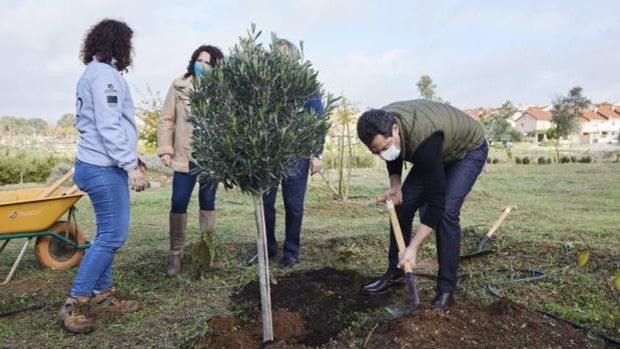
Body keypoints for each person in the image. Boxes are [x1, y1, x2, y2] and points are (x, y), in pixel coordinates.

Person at [60, 19, 148, 334]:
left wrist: (131, 155)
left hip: (95, 162)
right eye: (128, 43)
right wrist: (130, 166)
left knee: (107, 235)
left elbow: (106, 123)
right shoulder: (105, 77)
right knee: (113, 236)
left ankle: (103, 296)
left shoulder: (94, 73)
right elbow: (108, 126)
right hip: (102, 167)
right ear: (119, 43)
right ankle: (76, 301)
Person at [356, 99, 488, 309]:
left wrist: (413, 247)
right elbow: (393, 153)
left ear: (395, 129)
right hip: (438, 148)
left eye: (385, 147)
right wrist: (395, 184)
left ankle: (446, 290)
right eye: (376, 151)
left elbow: (436, 202)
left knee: (446, 213)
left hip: (467, 150)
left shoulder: (423, 139)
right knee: (402, 204)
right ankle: (396, 273)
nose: (383, 153)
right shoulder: (381, 122)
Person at [246, 38, 325, 268]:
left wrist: (316, 153)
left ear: (292, 57)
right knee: (265, 204)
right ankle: (267, 248)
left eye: (284, 55)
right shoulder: (263, 83)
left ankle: (291, 252)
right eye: (276, 55)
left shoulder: (306, 85)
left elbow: (317, 119)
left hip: (296, 154)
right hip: (268, 155)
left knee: (294, 205)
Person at [157, 45, 224, 278]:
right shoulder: (179, 85)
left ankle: (208, 252)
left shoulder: (221, 90)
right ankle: (175, 254)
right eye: (199, 60)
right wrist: (165, 149)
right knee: (178, 202)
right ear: (193, 61)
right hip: (184, 158)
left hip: (209, 160)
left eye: (208, 63)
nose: (202, 65)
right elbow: (166, 120)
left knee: (208, 203)